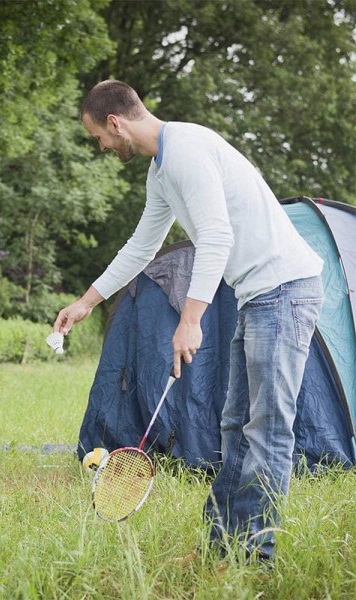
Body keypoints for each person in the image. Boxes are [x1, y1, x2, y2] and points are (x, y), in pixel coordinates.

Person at [53, 80, 324, 565]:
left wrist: (191, 320)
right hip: (257, 295)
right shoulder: (162, 172)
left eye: (99, 137)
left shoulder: (186, 151)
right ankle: (220, 547)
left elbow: (216, 236)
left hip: (284, 291)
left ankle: (254, 562)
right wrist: (87, 302)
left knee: (266, 431)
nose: (102, 147)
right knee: (234, 426)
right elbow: (142, 247)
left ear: (115, 123)